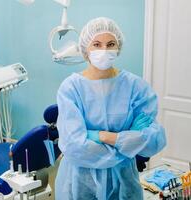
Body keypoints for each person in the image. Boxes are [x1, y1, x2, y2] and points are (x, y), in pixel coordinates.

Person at [55, 17, 166, 200]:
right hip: (80, 181)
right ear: (85, 50)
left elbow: (153, 139)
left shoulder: (135, 87)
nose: (104, 50)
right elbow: (75, 146)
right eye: (97, 44)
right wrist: (126, 142)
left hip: (124, 180)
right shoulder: (71, 88)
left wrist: (101, 136)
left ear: (118, 47)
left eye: (111, 44)